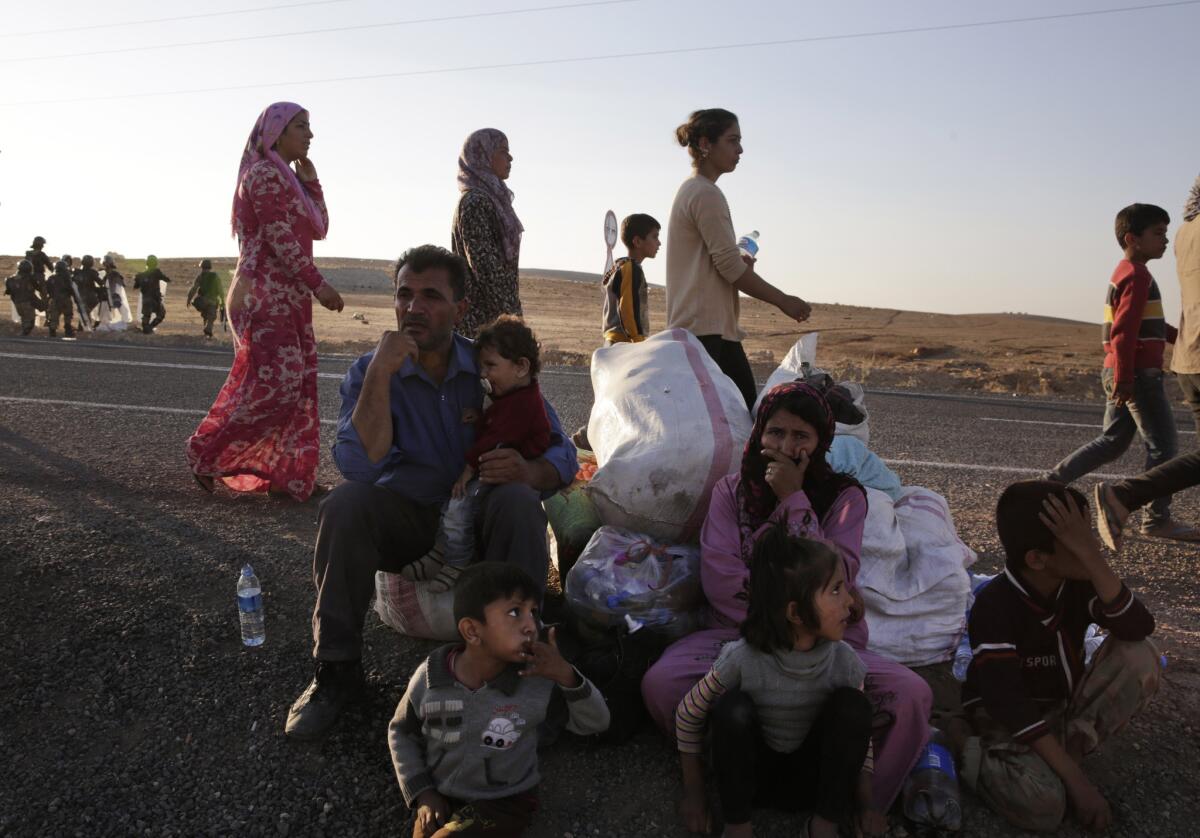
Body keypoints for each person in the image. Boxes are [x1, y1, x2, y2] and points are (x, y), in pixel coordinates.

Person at [284, 245, 576, 741]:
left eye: (431, 296)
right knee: (345, 505)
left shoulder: (489, 361)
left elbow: (563, 453)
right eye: (404, 295)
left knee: (518, 500)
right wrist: (382, 371)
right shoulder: (370, 370)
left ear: (460, 308)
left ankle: (523, 668)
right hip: (414, 525)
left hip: (484, 525)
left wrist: (530, 470)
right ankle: (336, 673)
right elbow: (358, 463)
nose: (414, 307)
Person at [641, 382, 932, 817]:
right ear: (759, 434)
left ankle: (857, 800)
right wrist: (779, 622)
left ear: (821, 443)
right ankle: (731, 771)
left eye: (801, 437)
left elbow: (840, 576)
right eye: (776, 433)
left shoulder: (845, 499)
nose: (785, 446)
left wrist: (794, 501)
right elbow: (721, 578)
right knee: (663, 682)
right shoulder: (731, 492)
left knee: (910, 695)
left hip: (826, 643)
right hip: (743, 634)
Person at [957, 481, 1160, 832]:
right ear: (1036, 559)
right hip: (1007, 721)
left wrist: (1092, 559)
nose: (1091, 548)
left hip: (1059, 709)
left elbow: (1138, 626)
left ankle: (1063, 763)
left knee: (1141, 655)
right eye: (1078, 544)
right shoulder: (994, 607)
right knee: (1045, 807)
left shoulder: (1077, 584)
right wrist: (1079, 785)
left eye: (1089, 538)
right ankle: (960, 742)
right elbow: (1011, 705)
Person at [675, 526, 882, 838]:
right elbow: (688, 713)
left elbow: (858, 737)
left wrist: (867, 803)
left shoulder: (844, 661)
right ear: (796, 613)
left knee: (854, 707)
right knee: (733, 708)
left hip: (813, 784)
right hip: (753, 781)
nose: (851, 602)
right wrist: (694, 792)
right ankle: (737, 824)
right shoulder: (742, 658)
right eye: (837, 590)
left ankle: (823, 825)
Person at [185, 102, 344, 501]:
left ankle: (289, 478)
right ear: (275, 132)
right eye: (301, 127)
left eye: (310, 127)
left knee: (299, 384)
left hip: (287, 296)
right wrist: (318, 284)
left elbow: (319, 228)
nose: (310, 135)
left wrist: (312, 184)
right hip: (263, 294)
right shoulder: (263, 176)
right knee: (278, 387)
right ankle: (207, 453)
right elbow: (279, 237)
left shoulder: (287, 178)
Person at [389, 562, 609, 838]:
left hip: (504, 801)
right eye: (515, 612)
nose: (531, 625)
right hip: (440, 794)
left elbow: (597, 722)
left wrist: (566, 675)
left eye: (534, 612)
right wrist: (422, 792)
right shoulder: (431, 679)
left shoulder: (536, 681)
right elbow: (401, 732)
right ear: (472, 631)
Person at [1045, 204, 1199, 541]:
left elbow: (1148, 327)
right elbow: (1124, 332)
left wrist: (1183, 338)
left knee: (1112, 441)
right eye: (1158, 233)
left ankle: (1049, 484)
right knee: (1163, 449)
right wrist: (1127, 378)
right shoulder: (1138, 275)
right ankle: (1156, 519)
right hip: (1137, 375)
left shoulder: (1124, 271)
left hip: (1118, 369)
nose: (1166, 239)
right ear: (1133, 238)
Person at [665, 109, 812, 411]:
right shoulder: (705, 194)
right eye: (733, 141)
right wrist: (784, 300)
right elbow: (730, 268)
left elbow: (721, 265)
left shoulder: (696, 190)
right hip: (706, 332)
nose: (740, 149)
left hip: (709, 328)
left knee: (731, 420)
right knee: (742, 420)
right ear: (706, 144)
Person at [417, 315, 552, 594]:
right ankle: (442, 550)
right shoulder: (516, 395)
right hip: (500, 461)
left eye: (491, 366)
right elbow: (498, 422)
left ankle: (456, 562)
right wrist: (480, 417)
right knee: (453, 506)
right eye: (482, 367)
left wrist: (467, 471)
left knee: (459, 503)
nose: (484, 374)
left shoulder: (524, 404)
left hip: (502, 469)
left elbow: (495, 439)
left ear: (521, 367)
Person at [450, 128, 522, 339]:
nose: (510, 158)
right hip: (483, 326)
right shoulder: (476, 202)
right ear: (484, 154)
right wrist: (513, 320)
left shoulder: (493, 200)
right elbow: (485, 269)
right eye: (503, 151)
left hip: (495, 321)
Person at [601, 213, 660, 345]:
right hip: (623, 343)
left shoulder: (622, 266)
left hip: (615, 341)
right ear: (638, 241)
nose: (659, 243)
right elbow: (628, 307)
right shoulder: (631, 269)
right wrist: (637, 340)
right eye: (655, 237)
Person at [186, 258, 225, 338]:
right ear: (210, 267)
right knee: (211, 316)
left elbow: (194, 289)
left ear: (202, 267)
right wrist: (222, 303)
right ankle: (208, 329)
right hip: (213, 301)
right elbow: (221, 291)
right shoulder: (215, 276)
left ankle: (207, 332)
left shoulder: (200, 276)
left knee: (206, 315)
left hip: (202, 301)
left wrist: (189, 299)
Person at [133, 255, 171, 334]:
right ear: (155, 263)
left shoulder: (141, 275)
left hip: (146, 299)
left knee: (146, 315)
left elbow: (135, 287)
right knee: (161, 314)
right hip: (155, 298)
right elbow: (167, 279)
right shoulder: (156, 272)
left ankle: (146, 329)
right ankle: (149, 328)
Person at [5, 260, 43, 336]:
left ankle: (23, 336)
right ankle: (23, 335)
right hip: (27, 303)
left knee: (24, 319)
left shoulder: (11, 279)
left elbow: (8, 292)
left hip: (17, 303)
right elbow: (39, 288)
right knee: (30, 322)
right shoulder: (30, 278)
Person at [98, 254, 131, 330]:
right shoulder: (106, 274)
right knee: (107, 311)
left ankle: (122, 322)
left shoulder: (114, 274)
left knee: (119, 308)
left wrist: (115, 294)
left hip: (114, 295)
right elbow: (103, 283)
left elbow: (120, 285)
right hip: (108, 295)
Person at [45, 260, 76, 338]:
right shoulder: (67, 278)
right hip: (65, 300)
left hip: (54, 300)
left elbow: (47, 289)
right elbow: (71, 289)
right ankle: (68, 330)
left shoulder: (51, 278)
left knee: (53, 317)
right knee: (68, 315)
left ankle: (52, 333)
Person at [75, 255, 104, 329]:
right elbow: (101, 283)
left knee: (84, 312)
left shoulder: (77, 273)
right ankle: (86, 326)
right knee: (86, 312)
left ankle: (83, 327)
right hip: (90, 297)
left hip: (81, 296)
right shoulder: (92, 272)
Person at [25, 235, 55, 301]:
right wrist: (55, 273)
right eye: (42, 244)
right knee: (44, 293)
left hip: (29, 277)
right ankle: (45, 306)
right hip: (39, 277)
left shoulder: (28, 254)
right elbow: (50, 266)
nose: (43, 246)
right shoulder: (41, 254)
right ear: (39, 244)